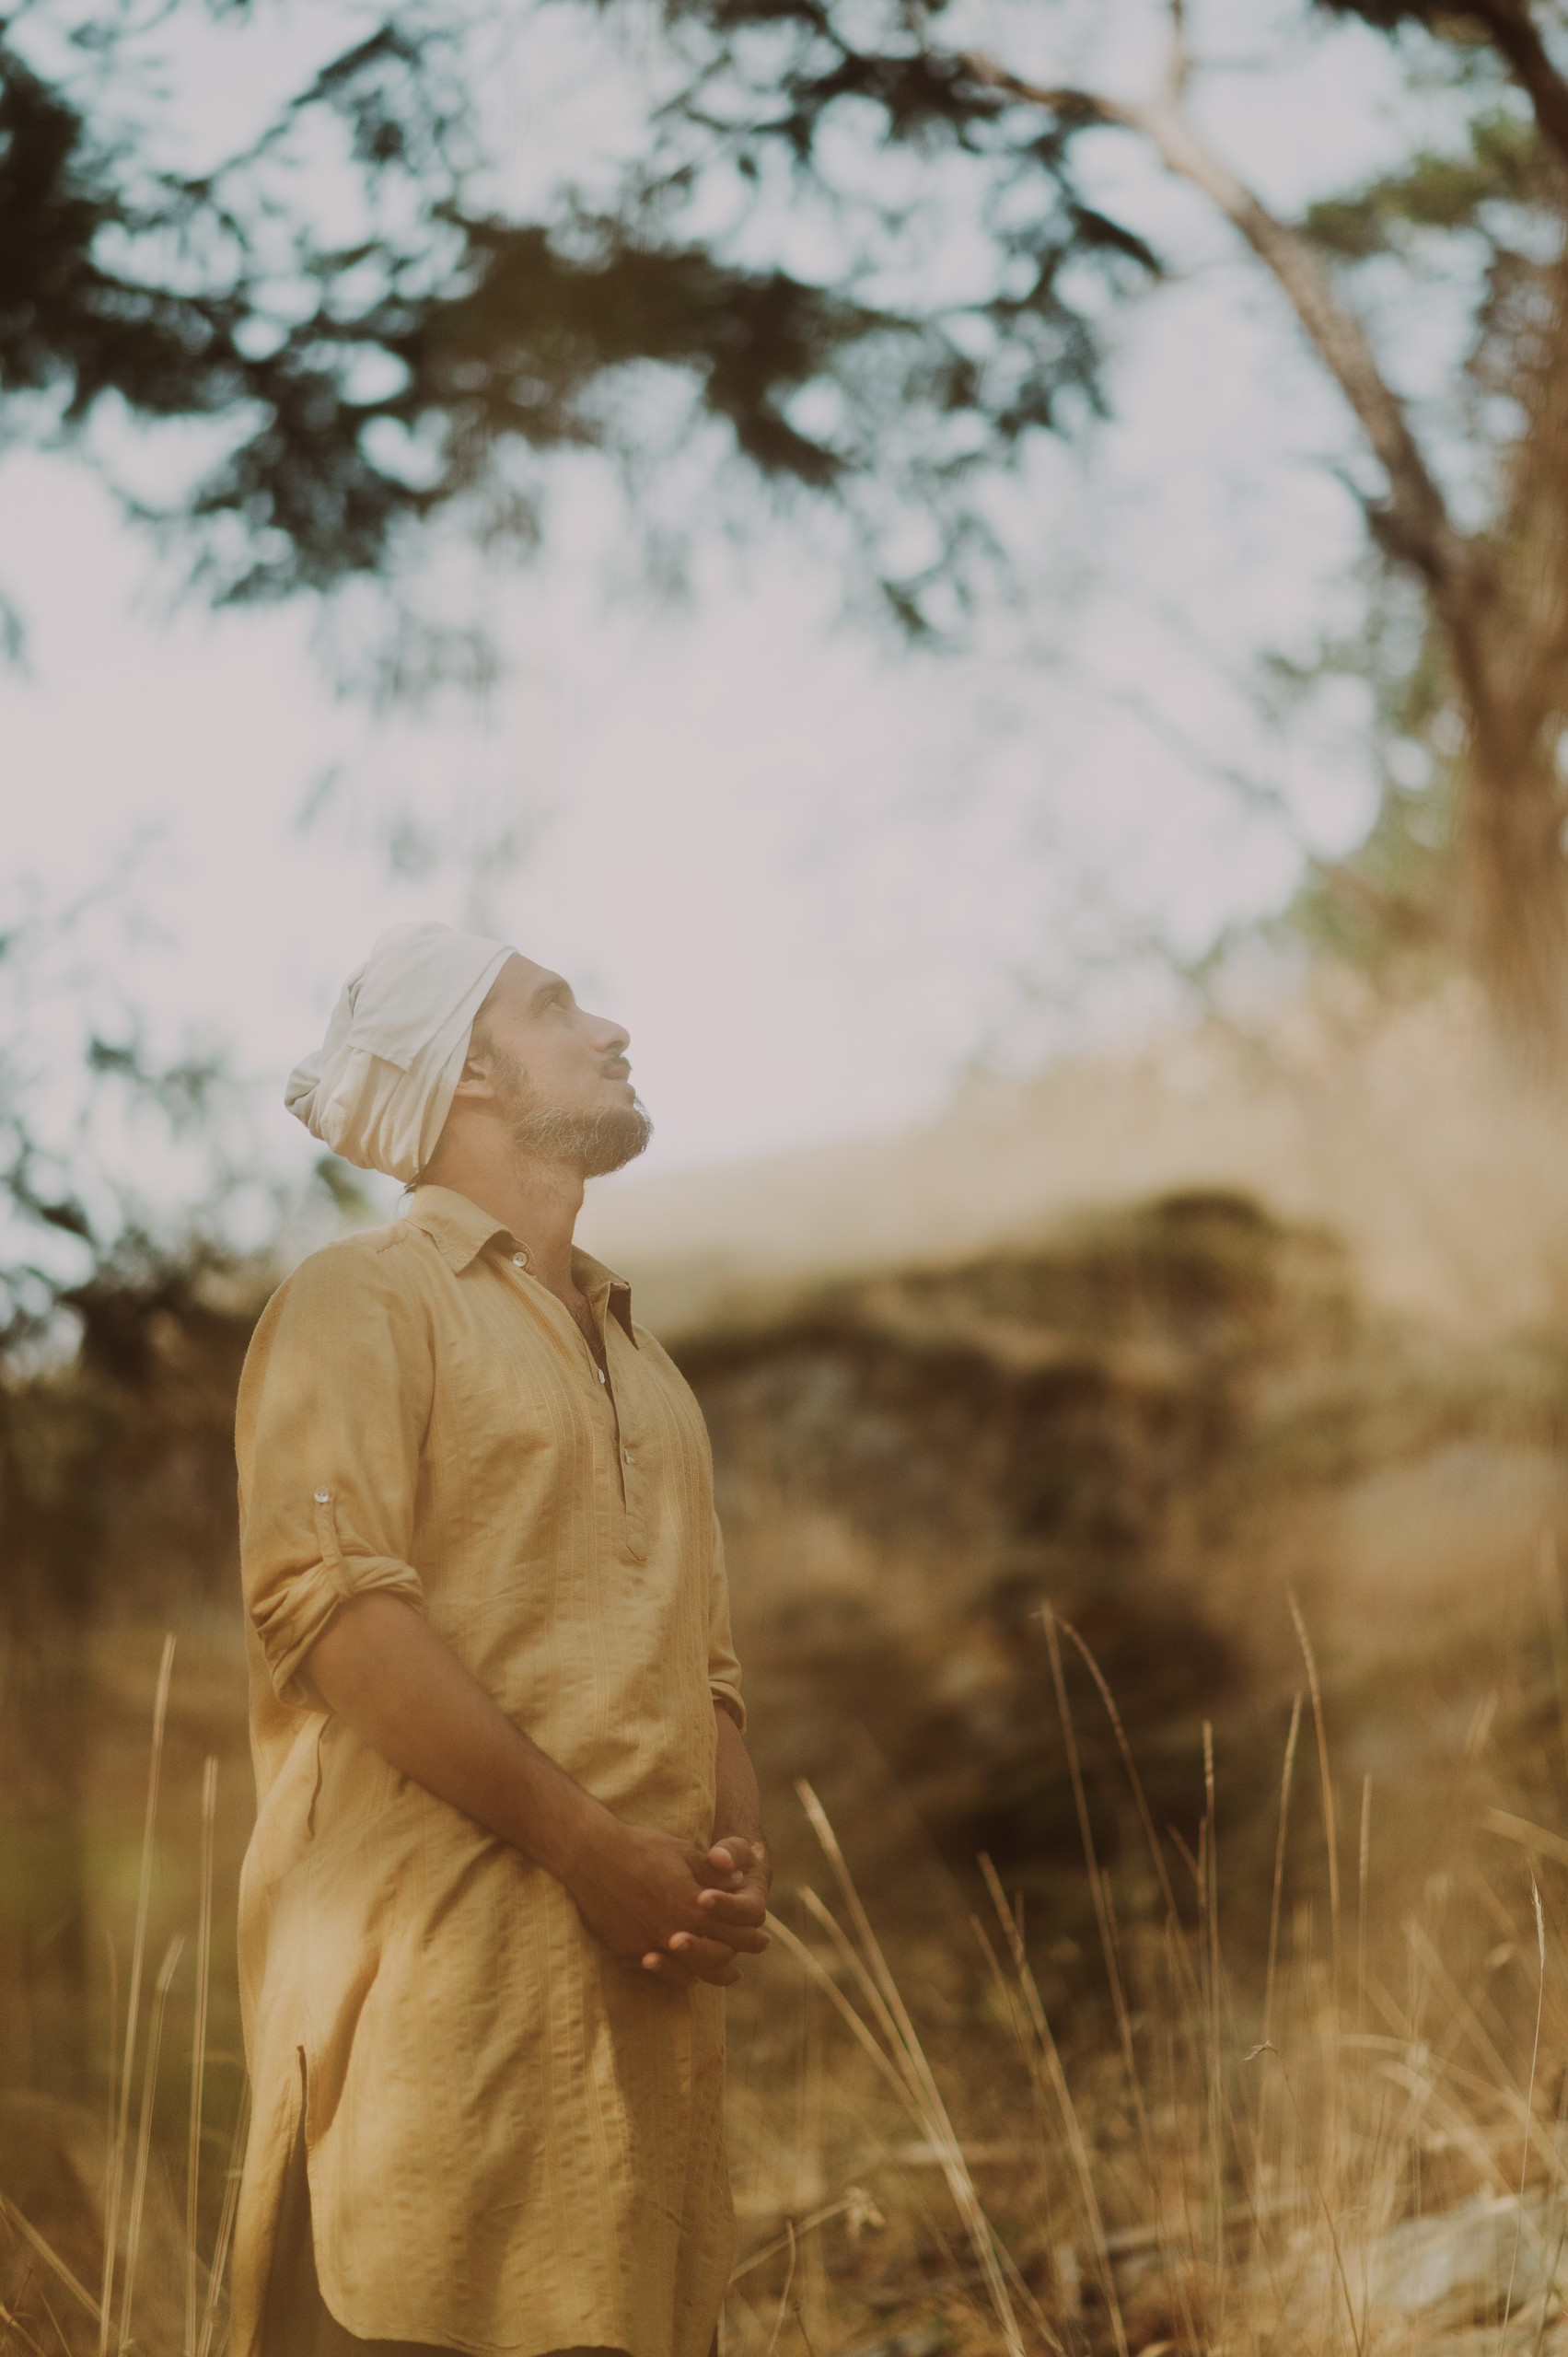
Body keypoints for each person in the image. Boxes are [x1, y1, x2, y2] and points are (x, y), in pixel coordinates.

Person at [229, 922, 770, 2357]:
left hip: (635, 2036)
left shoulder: (649, 1365)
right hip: (437, 2022)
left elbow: (707, 1673)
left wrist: (726, 1860)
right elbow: (336, 1618)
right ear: (469, 1070)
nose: (611, 1029)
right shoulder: (361, 1299)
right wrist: (595, 1853)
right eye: (558, 1006)